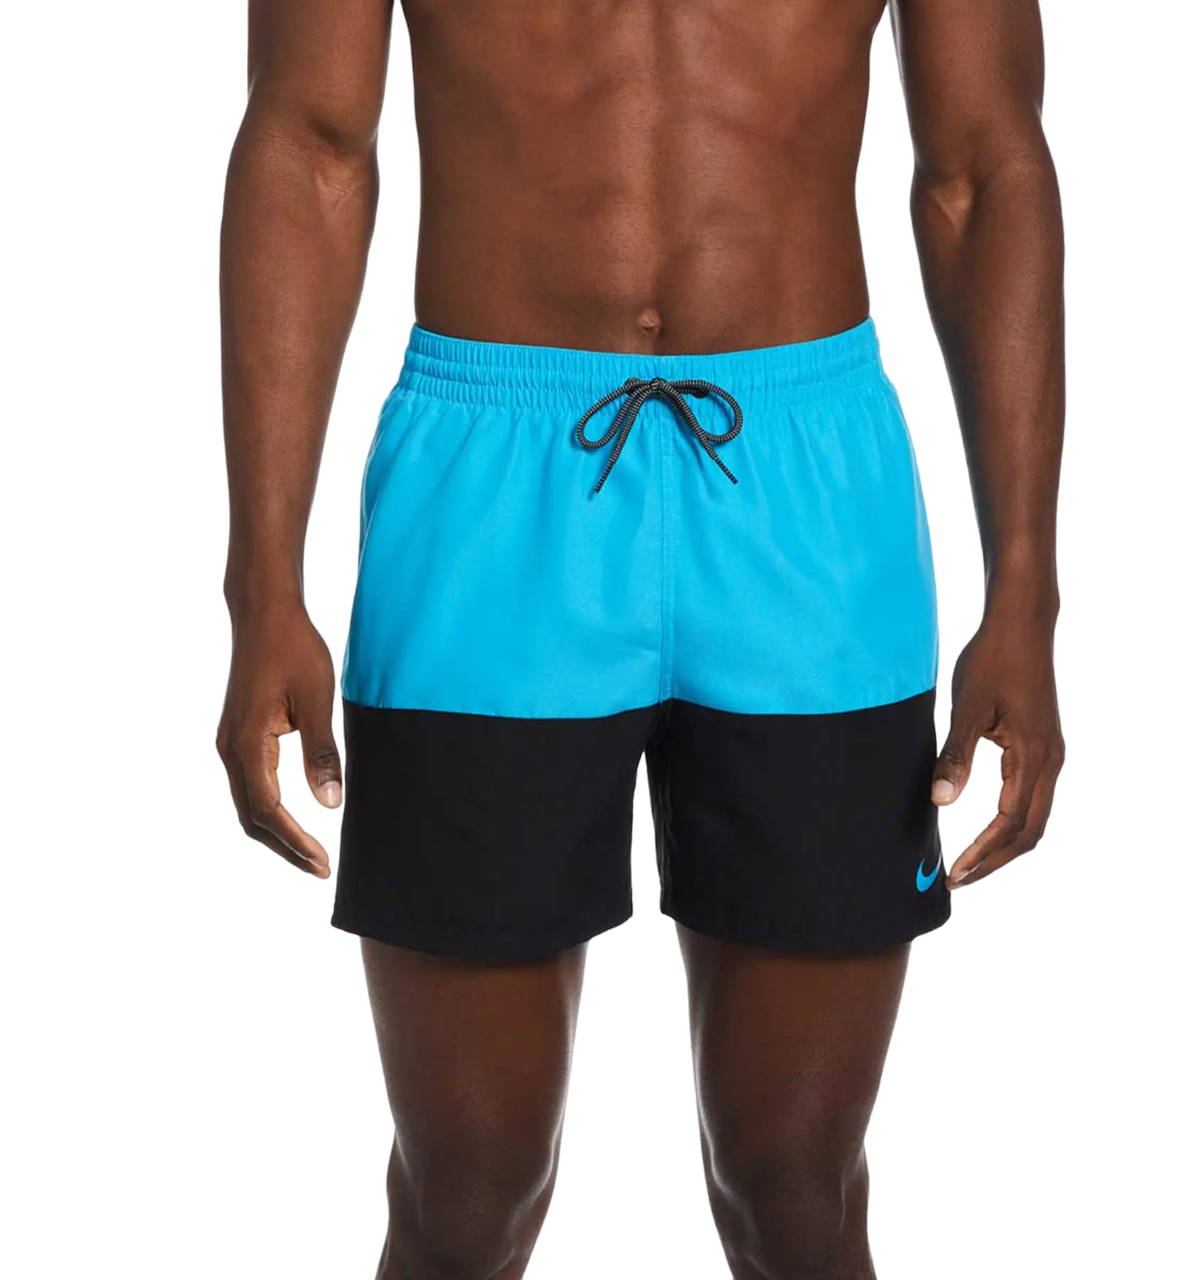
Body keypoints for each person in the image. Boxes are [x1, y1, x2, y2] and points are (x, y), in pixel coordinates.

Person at [216, 0, 1065, 1275]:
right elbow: (309, 144)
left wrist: (1026, 589)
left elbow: (981, 168)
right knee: (467, 1186)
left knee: (794, 1183)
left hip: (807, 496)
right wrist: (261, 584)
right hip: (487, 487)